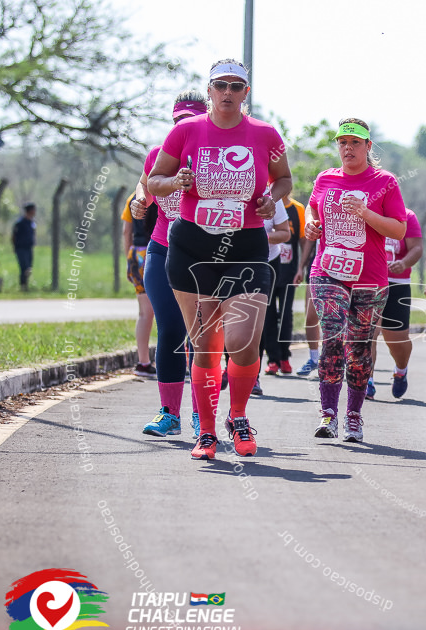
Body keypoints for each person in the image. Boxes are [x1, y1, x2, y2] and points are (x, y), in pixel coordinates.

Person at [147, 59, 292, 460]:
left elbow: (284, 179)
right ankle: (206, 431)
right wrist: (175, 181)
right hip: (194, 247)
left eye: (236, 86)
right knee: (206, 346)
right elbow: (155, 179)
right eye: (220, 85)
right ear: (209, 90)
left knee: (242, 341)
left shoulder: (265, 134)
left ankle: (239, 416)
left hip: (245, 246)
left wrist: (270, 199)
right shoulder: (185, 131)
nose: (228, 92)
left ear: (246, 92)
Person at [304, 118, 407, 443]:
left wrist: (365, 213)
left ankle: (353, 415)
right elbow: (311, 207)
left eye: (355, 143)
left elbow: (399, 229)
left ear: (368, 147)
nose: (348, 148)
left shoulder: (385, 181)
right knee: (333, 337)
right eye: (343, 142)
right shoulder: (326, 178)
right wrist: (310, 224)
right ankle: (329, 414)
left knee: (359, 347)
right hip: (328, 270)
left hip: (369, 277)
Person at [132, 91, 209, 440]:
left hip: (205, 256)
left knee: (201, 337)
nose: (184, 128)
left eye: (191, 122)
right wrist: (138, 201)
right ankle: (169, 414)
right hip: (162, 250)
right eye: (179, 122)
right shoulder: (157, 155)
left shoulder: (216, 160)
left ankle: (201, 415)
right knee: (170, 330)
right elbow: (145, 185)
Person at [365, 207, 423, 400]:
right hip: (368, 280)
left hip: (397, 283)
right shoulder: (365, 211)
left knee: (396, 340)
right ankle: (367, 381)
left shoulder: (407, 216)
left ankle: (401, 369)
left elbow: (416, 248)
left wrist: (404, 263)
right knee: (367, 332)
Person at [263, 193, 305, 374]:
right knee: (268, 315)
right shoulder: (264, 204)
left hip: (289, 273)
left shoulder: (297, 209)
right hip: (269, 269)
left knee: (286, 315)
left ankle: (284, 357)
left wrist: (301, 268)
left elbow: (303, 241)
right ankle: (273, 359)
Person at [121, 192, 158, 377]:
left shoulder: (132, 198)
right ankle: (177, 361)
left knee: (144, 313)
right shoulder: (166, 195)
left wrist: (130, 258)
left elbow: (126, 232)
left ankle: (143, 362)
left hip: (137, 254)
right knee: (172, 311)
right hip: (158, 252)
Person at [295, 238, 321, 377]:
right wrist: (301, 267)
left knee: (342, 318)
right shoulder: (318, 215)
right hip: (319, 264)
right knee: (310, 316)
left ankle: (338, 359)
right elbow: (310, 240)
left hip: (345, 265)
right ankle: (314, 358)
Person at [12, 203, 36, 291]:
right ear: (29, 211)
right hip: (20, 248)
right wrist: (14, 247)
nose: (35, 212)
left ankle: (25, 285)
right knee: (24, 267)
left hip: (29, 248)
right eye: (33, 210)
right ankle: (23, 286)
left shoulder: (31, 222)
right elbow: (14, 236)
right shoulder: (20, 223)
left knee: (29, 268)